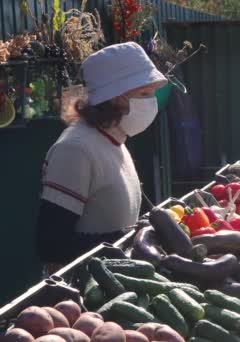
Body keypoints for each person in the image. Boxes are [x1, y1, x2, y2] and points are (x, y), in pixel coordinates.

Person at [35, 42, 167, 275]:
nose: (151, 101)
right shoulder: (75, 150)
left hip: (116, 284)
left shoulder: (113, 139)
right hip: (83, 297)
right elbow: (52, 246)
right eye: (144, 93)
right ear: (115, 97)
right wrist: (131, 237)